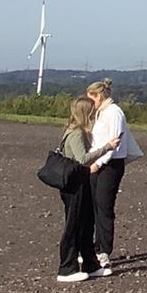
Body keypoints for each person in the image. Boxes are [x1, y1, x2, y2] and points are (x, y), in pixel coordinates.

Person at [85, 79, 142, 270]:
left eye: (91, 98)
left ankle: (104, 251)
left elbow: (114, 143)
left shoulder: (114, 113)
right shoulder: (101, 112)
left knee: (104, 207)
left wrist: (98, 163)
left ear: (99, 95)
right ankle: (94, 248)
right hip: (97, 162)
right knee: (94, 206)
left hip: (110, 165)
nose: (90, 102)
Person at [55, 96, 113, 282]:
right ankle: (66, 268)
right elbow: (82, 159)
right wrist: (107, 147)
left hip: (80, 182)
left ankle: (91, 264)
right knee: (74, 225)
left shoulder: (74, 131)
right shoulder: (77, 133)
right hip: (75, 185)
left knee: (86, 224)